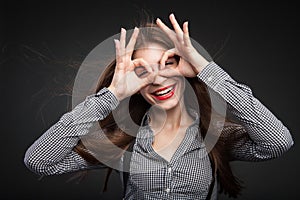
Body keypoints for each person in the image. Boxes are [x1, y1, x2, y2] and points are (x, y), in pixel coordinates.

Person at [24, 13, 294, 199]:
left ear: (184, 67)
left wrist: (205, 68)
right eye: (143, 72)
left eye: (169, 63)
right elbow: (39, 162)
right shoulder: (123, 141)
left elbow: (278, 142)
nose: (158, 78)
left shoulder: (215, 135)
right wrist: (112, 94)